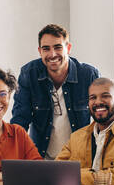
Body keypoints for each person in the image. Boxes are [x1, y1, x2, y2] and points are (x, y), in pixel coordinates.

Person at [11, 24, 100, 159]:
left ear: (68, 48)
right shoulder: (29, 73)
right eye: (46, 49)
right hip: (41, 158)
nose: (52, 54)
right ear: (40, 51)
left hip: (80, 159)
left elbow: (102, 118)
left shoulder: (88, 74)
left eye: (58, 47)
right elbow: (20, 120)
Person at [56, 78, 114, 185]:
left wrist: (71, 175)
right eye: (93, 98)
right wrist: (94, 175)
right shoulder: (77, 136)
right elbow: (55, 172)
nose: (98, 102)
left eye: (105, 96)